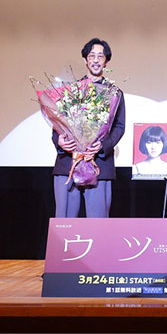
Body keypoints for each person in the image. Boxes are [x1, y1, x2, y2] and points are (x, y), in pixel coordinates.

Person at [52, 38, 125, 217]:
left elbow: (119, 127)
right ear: (85, 59)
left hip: (99, 164)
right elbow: (57, 124)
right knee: (64, 223)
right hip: (69, 162)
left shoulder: (114, 93)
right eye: (92, 56)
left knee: (98, 225)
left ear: (106, 61)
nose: (96, 60)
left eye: (100, 56)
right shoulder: (71, 90)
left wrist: (102, 146)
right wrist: (60, 141)